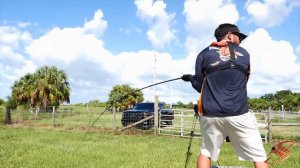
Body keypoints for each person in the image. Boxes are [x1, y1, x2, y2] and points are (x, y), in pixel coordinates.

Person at [181, 23, 269, 168]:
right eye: (238, 36)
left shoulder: (203, 54)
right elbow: (242, 80)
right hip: (239, 113)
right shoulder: (245, 54)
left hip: (210, 115)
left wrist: (190, 78)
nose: (240, 41)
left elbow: (199, 85)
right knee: (259, 157)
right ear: (229, 35)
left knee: (206, 152)